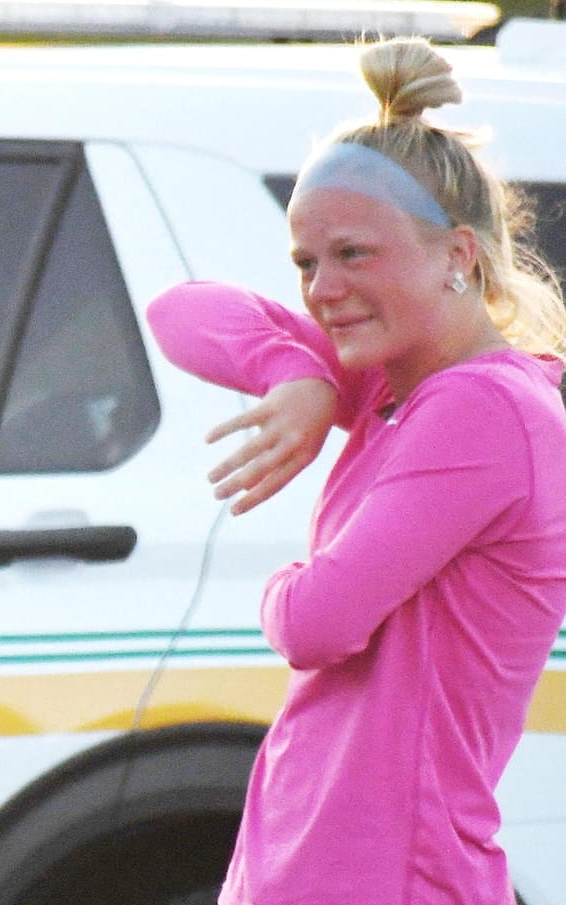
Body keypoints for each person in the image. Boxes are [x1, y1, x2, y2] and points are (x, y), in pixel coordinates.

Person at [145, 37, 566, 904]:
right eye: (306, 262)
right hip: (310, 870)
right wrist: (294, 374)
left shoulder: (483, 410)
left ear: (458, 254)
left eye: (353, 253)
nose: (322, 289)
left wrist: (275, 587)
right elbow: (180, 311)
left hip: (388, 879)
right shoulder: (396, 381)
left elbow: (316, 622)